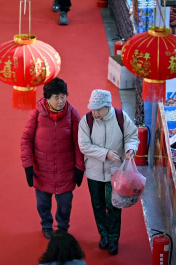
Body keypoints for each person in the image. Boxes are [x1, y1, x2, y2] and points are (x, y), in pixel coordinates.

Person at [20, 79, 84, 239]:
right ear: (47, 98)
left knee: (65, 203)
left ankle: (62, 227)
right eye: (56, 97)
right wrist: (27, 165)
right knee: (43, 203)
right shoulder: (37, 113)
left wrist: (79, 167)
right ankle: (46, 225)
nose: (61, 101)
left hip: (65, 170)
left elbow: (79, 142)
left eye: (63, 96)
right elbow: (26, 138)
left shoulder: (72, 113)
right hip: (41, 170)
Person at [78, 89, 139, 256]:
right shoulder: (87, 121)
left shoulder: (120, 117)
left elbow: (132, 136)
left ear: (108, 106)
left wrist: (130, 150)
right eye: (93, 109)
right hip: (94, 171)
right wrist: (105, 154)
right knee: (97, 204)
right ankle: (103, 234)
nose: (95, 113)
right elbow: (84, 145)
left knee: (114, 205)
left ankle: (113, 238)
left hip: (116, 172)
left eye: (99, 109)